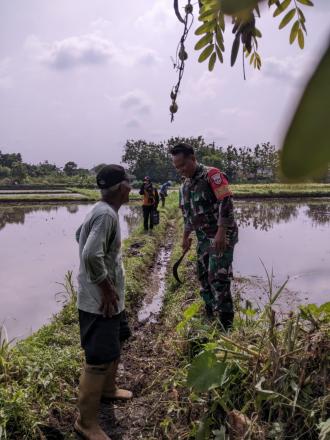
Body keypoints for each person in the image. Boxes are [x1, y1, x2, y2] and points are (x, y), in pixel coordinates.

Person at [75, 164, 133, 440]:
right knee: (97, 360)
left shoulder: (101, 211)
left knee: (115, 344)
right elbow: (89, 255)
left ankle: (109, 390)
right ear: (121, 187)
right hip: (101, 303)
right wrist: (107, 289)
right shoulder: (106, 215)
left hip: (112, 301)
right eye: (129, 183)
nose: (131, 188)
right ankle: (85, 423)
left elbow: (80, 236)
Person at [171, 143, 238, 331]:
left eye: (182, 165)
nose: (180, 170)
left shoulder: (212, 175)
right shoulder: (184, 186)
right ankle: (209, 315)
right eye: (176, 167)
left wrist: (221, 232)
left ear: (193, 158)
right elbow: (187, 215)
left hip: (220, 235)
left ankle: (226, 325)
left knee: (218, 277)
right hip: (202, 238)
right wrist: (185, 237)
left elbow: (226, 202)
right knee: (203, 276)